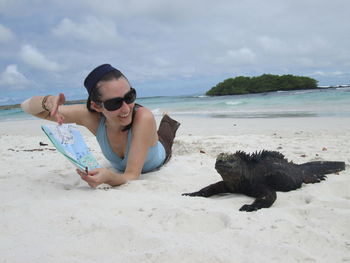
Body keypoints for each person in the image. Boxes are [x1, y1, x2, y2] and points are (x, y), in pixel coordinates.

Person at [21, 64, 180, 188]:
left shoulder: (143, 116)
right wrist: (47, 101)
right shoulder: (90, 117)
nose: (126, 108)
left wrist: (109, 177)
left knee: (166, 133)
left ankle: (167, 119)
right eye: (114, 103)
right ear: (97, 106)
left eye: (129, 97)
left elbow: (131, 176)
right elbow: (27, 107)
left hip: (159, 151)